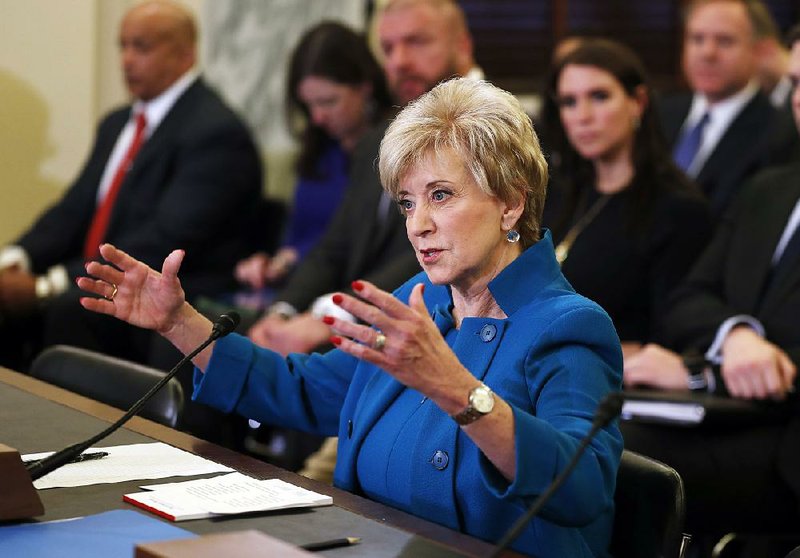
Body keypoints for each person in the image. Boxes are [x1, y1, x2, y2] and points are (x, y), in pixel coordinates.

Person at [77, 78, 623, 558]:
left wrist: (455, 388)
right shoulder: (420, 299)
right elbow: (309, 392)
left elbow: (582, 488)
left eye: (441, 195)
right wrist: (178, 322)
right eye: (408, 203)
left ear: (511, 204)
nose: (419, 225)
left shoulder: (569, 326)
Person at [0, 0, 262, 370]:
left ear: (185, 53)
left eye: (141, 47)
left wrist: (49, 285)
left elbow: (164, 238)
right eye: (122, 46)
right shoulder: (117, 124)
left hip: (170, 296)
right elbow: (72, 212)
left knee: (66, 309)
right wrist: (15, 260)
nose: (125, 60)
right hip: (105, 277)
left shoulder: (215, 132)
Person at [621, 23, 800, 545]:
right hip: (730, 417)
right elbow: (690, 297)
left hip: (788, 443)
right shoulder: (768, 188)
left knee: (615, 461)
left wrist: (702, 375)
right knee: (583, 436)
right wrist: (735, 336)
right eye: (796, 82)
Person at [247, 0, 481, 357]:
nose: (399, 61)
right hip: (360, 332)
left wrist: (331, 316)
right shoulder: (380, 137)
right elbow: (335, 245)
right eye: (388, 48)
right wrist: (282, 311)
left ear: (462, 45)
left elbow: (433, 258)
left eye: (416, 42)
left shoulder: (495, 134)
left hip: (445, 339)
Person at [542, 39, 712, 356]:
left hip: (615, 384)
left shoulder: (679, 209)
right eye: (569, 102)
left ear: (638, 101)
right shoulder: (557, 194)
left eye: (599, 97)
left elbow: (671, 334)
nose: (582, 116)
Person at [229, 21, 392, 316]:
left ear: (365, 88)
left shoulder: (392, 150)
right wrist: (274, 263)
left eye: (328, 102)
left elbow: (355, 247)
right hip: (297, 286)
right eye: (308, 105)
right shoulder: (319, 150)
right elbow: (297, 236)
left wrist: (294, 262)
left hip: (348, 294)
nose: (317, 117)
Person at [659, 0, 798, 219]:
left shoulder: (779, 133)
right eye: (697, 39)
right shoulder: (661, 112)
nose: (707, 53)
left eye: (724, 41)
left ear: (759, 51)